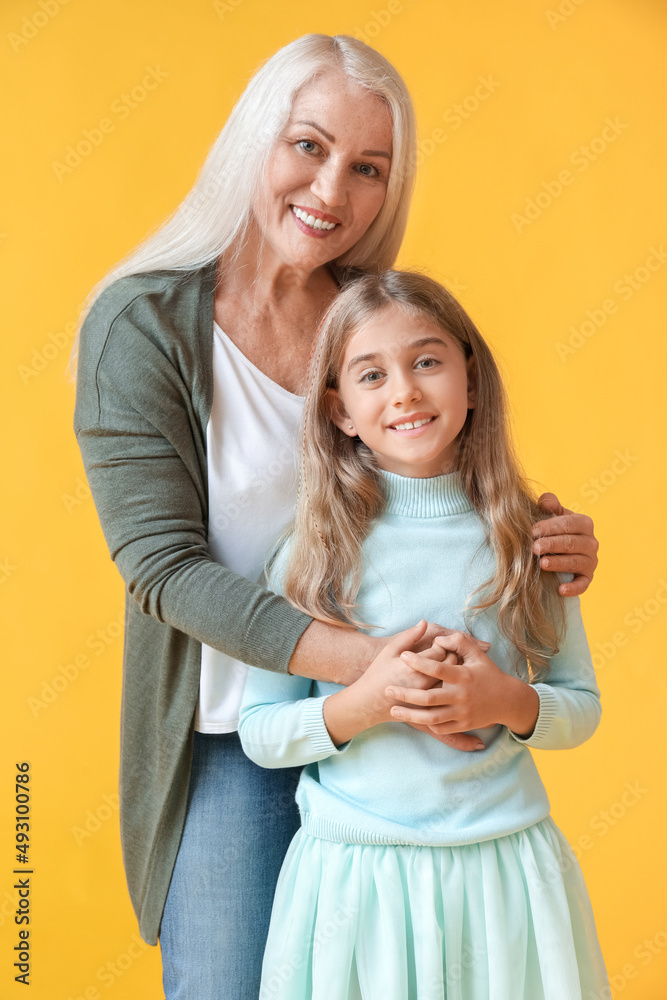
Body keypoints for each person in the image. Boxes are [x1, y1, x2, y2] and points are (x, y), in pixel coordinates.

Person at [72, 34, 600, 1000]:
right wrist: (381, 670)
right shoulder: (142, 325)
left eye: (368, 168)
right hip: (236, 740)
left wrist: (541, 539)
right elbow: (161, 569)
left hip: (414, 762)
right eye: (307, 146)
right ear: (252, 143)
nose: (333, 189)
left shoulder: (372, 331)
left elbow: (442, 481)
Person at [238, 269, 609, 1000]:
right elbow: (261, 731)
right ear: (339, 412)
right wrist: (366, 703)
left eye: (427, 362)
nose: (404, 391)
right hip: (353, 882)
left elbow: (580, 707)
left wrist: (504, 700)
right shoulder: (309, 555)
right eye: (371, 375)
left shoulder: (529, 541)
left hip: (502, 874)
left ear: (470, 381)